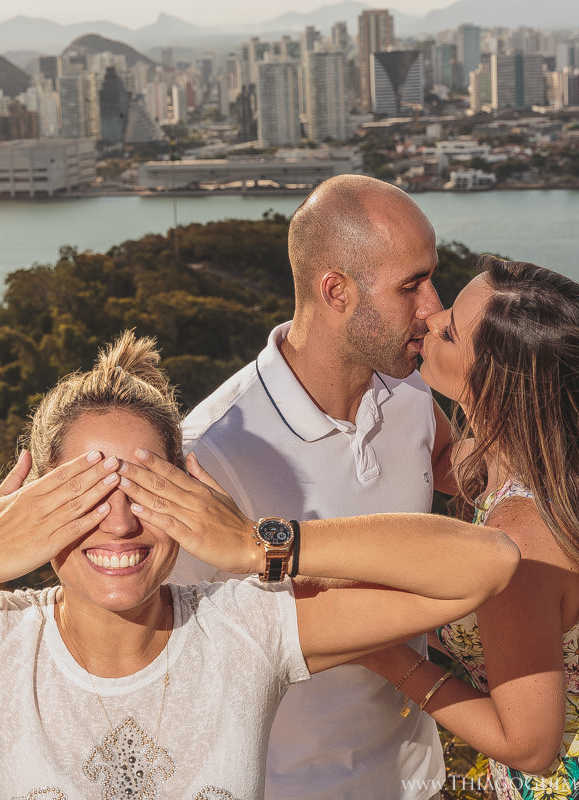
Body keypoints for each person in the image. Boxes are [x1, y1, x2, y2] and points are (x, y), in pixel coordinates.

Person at [0, 331, 519, 800]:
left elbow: (484, 563)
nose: (119, 521)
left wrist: (254, 545)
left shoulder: (248, 628)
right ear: (34, 501)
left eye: (145, 489)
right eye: (84, 495)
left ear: (184, 491)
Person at [358, 257, 579, 800]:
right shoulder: (535, 466)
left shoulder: (519, 539)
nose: (431, 319)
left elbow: (530, 747)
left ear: (493, 383)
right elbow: (437, 457)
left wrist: (384, 655)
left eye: (450, 331)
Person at [173, 174, 454, 799]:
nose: (434, 307)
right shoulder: (213, 452)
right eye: (411, 285)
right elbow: (169, 663)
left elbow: (456, 467)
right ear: (336, 290)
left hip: (417, 780)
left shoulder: (410, 389)